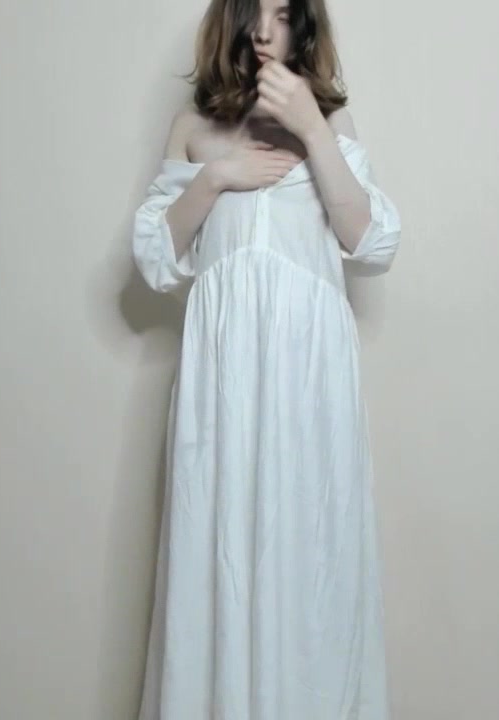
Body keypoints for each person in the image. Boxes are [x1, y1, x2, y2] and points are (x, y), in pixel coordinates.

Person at [132, 0, 400, 716]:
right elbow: (156, 259)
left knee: (309, 546)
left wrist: (312, 127)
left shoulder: (330, 125)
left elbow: (371, 244)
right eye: (252, 10)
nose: (262, 30)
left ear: (302, 24)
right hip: (223, 375)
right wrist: (217, 176)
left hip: (308, 375)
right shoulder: (194, 128)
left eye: (281, 14)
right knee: (214, 541)